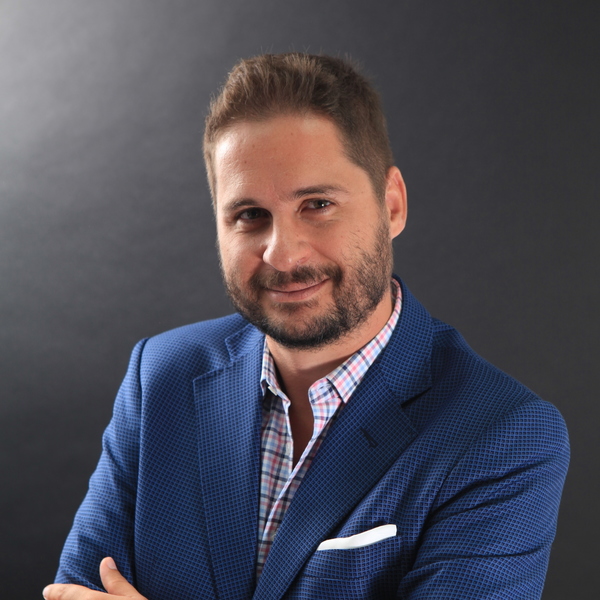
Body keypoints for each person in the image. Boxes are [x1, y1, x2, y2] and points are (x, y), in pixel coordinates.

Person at [44, 53, 569, 600]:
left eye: (317, 204)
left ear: (391, 205)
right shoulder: (161, 378)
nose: (284, 254)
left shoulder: (503, 436)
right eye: (250, 215)